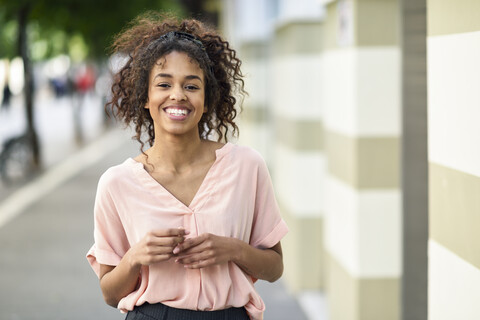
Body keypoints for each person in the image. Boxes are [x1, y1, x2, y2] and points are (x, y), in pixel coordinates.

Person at [86, 12, 288, 320]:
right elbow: (110, 294)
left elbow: (274, 268)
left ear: (207, 100)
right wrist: (136, 257)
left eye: (192, 86)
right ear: (146, 96)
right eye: (164, 84)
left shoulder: (247, 166)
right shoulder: (116, 184)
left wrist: (233, 249)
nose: (178, 95)